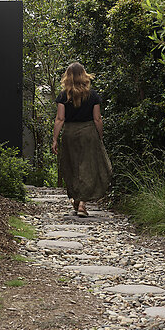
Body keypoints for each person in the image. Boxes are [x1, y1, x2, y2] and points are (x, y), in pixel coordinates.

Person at [52, 62, 112, 217]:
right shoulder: (92, 95)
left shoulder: (63, 95)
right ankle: (82, 204)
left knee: (71, 165)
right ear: (83, 75)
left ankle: (77, 201)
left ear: (68, 76)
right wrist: (100, 135)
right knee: (88, 167)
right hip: (88, 132)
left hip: (70, 133)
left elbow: (60, 119)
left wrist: (54, 139)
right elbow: (97, 119)